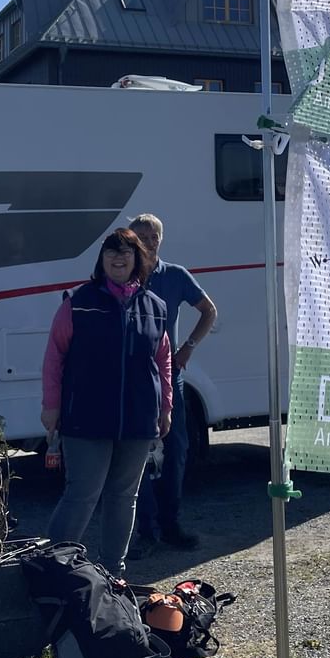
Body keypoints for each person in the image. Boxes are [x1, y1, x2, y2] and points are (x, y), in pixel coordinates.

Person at [39, 227, 172, 577]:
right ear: (101, 260)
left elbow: (163, 361)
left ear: (137, 259)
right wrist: (51, 405)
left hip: (138, 420)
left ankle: (113, 573)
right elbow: (55, 356)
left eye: (126, 251)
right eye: (111, 251)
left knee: (124, 498)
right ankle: (53, 569)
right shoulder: (78, 302)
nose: (118, 257)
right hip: (86, 418)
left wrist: (166, 407)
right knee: (82, 493)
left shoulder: (155, 307)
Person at [128, 212, 217, 554]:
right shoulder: (125, 277)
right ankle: (145, 529)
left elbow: (209, 311)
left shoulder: (176, 275)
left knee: (177, 448)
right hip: (133, 378)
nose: (149, 243)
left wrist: (187, 348)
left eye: (154, 237)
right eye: (142, 237)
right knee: (138, 452)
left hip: (168, 375)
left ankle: (171, 524)